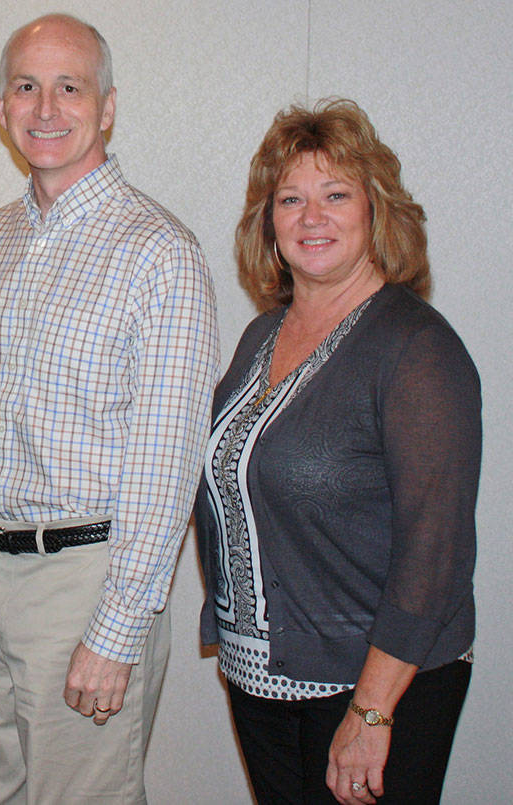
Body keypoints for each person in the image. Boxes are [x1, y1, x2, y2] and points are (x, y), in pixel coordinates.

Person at [0, 14, 219, 803]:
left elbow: (167, 459)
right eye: (27, 86)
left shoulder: (159, 250)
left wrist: (118, 627)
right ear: (2, 105)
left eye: (71, 86)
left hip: (87, 581)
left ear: (106, 107)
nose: (46, 107)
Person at [194, 98, 479, 805]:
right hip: (261, 685)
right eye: (290, 198)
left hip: (368, 690)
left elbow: (435, 554)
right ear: (269, 221)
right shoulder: (262, 337)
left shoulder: (417, 350)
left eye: (335, 194)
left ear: (376, 209)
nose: (310, 216)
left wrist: (372, 711)